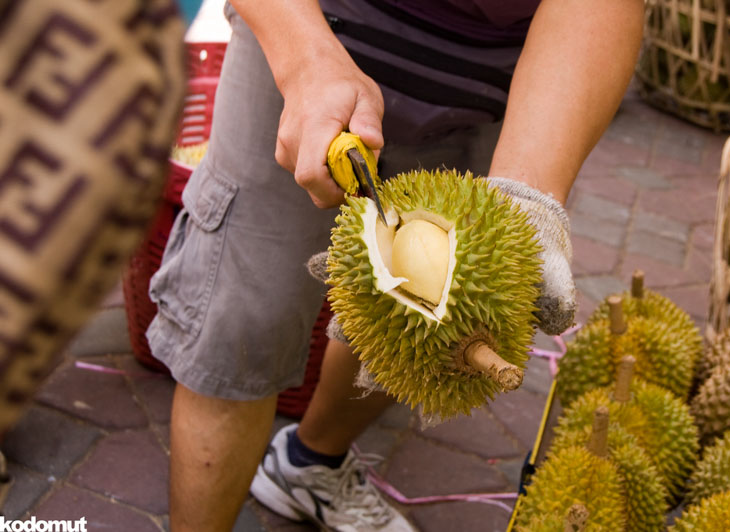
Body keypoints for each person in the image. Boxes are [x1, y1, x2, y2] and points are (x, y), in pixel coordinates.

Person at [146, 0, 644, 530]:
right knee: (245, 315)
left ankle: (311, 464)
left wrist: (529, 191)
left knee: (431, 339)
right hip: (314, 21)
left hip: (496, 77)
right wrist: (307, 60)